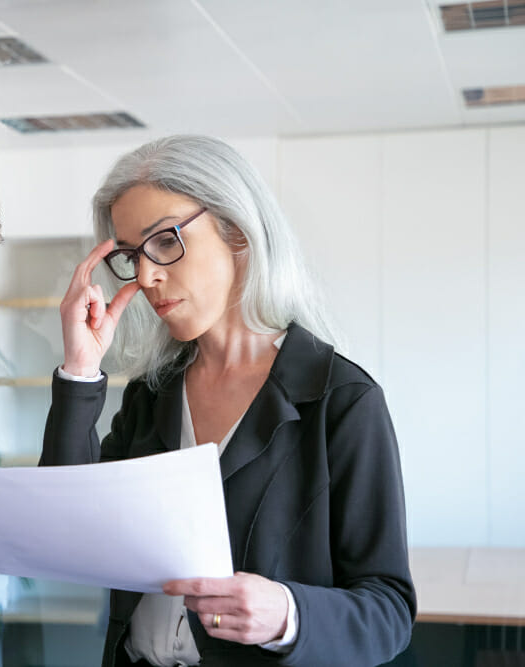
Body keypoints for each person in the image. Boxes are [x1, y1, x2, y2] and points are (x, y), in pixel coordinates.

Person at [42, 135, 415, 666]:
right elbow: (66, 529)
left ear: (236, 232)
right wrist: (80, 370)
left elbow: (389, 611)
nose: (146, 276)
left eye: (164, 242)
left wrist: (288, 614)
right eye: (130, 255)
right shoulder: (152, 395)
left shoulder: (342, 400)